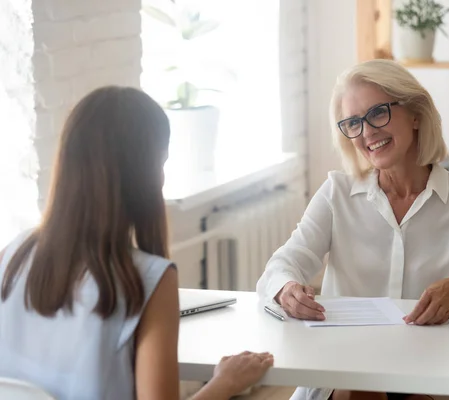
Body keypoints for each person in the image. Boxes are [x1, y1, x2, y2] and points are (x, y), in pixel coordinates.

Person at [256, 59, 449, 400]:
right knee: (363, 389)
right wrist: (286, 288)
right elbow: (281, 265)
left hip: (435, 368)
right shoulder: (337, 193)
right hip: (347, 371)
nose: (366, 133)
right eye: (353, 122)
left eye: (377, 113)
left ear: (416, 113)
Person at [0, 86, 273, 400]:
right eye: (161, 163)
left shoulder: (11, 257)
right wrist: (225, 383)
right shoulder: (147, 281)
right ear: (142, 174)